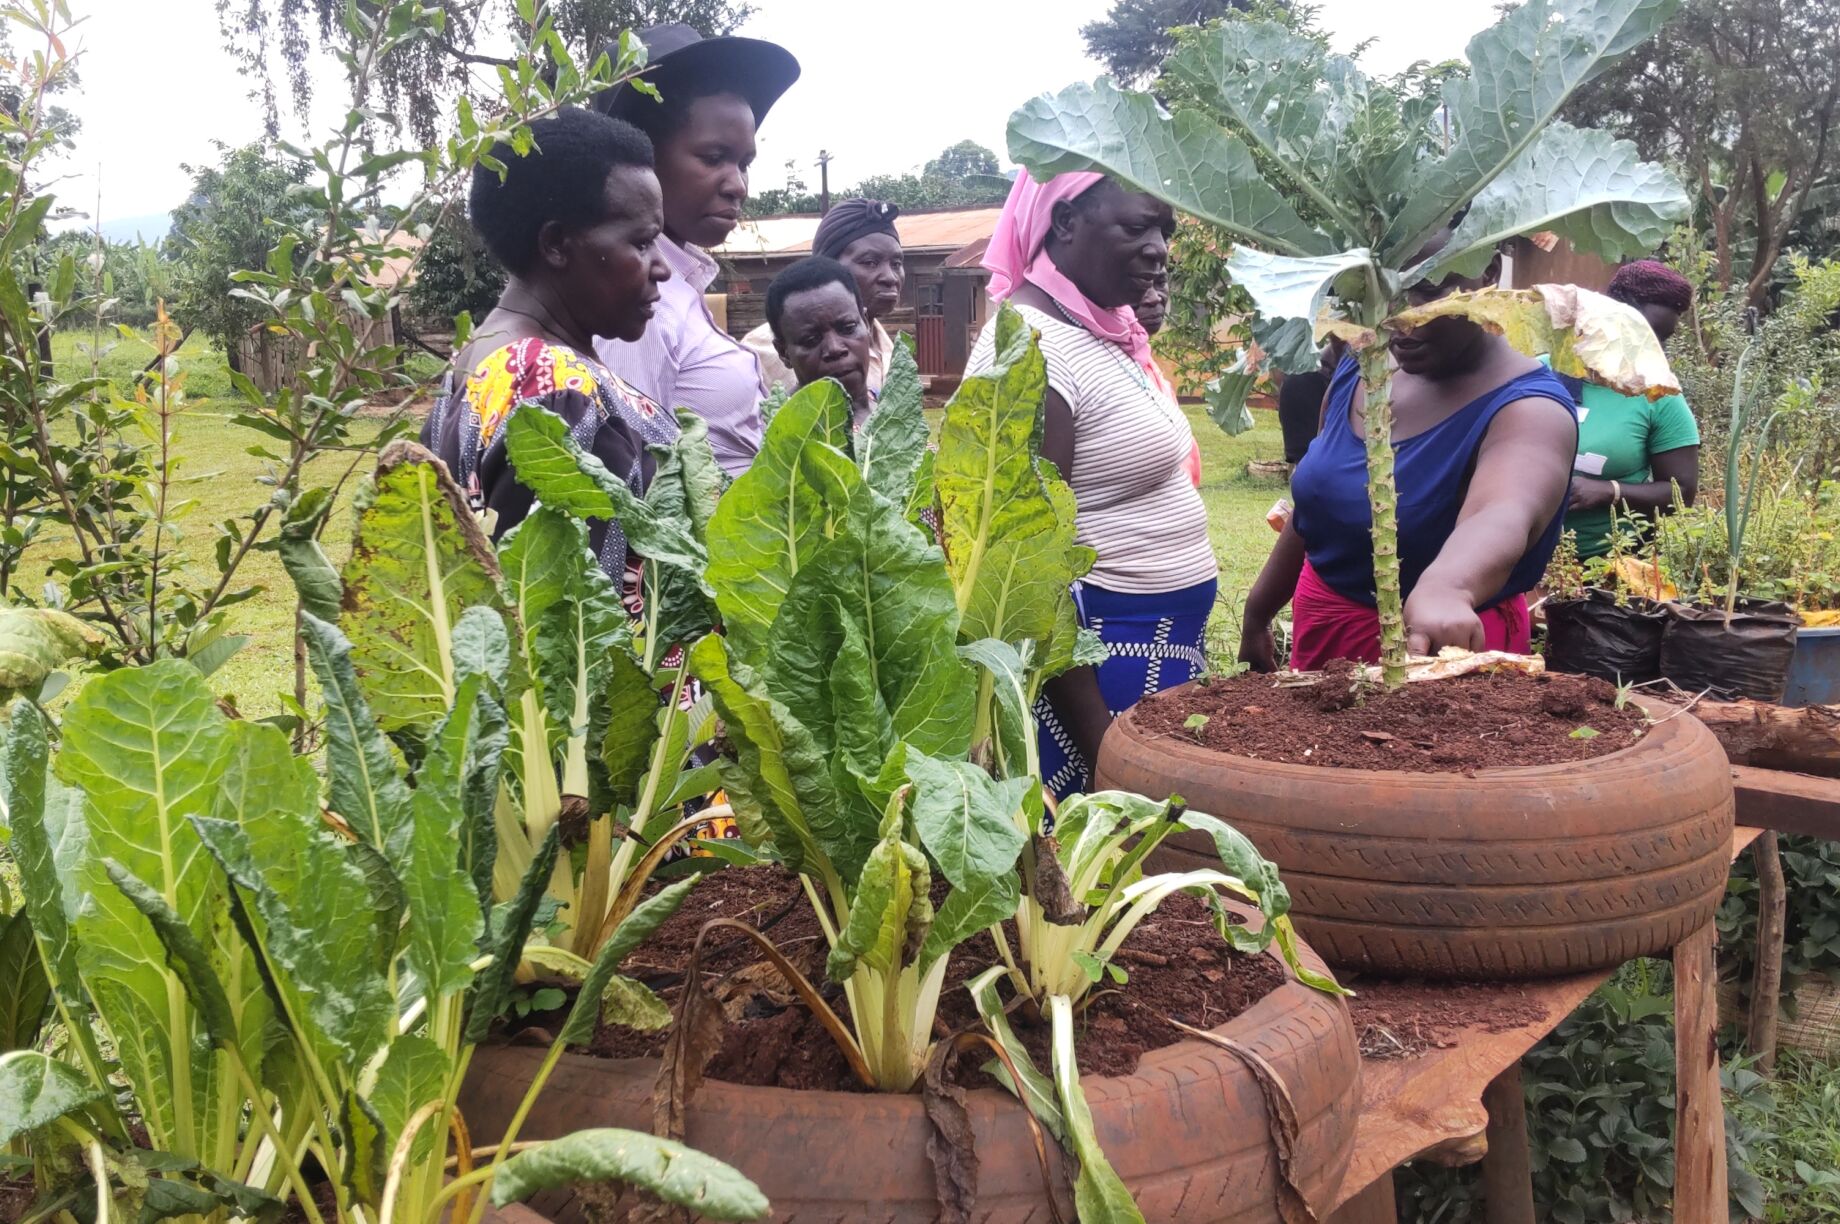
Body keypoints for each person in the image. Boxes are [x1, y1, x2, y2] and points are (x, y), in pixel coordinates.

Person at [966, 170, 1215, 797]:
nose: (1159, 246)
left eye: (1165, 228)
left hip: (1155, 650)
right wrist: (1101, 743)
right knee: (1103, 873)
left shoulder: (1095, 333)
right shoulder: (1031, 351)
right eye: (1137, 226)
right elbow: (1023, 570)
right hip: (1096, 679)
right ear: (1066, 222)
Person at [1239, 221, 1579, 673]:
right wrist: (1258, 613)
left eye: (1426, 291)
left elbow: (1501, 512)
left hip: (1443, 651)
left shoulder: (1530, 410)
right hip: (1325, 631)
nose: (1400, 320)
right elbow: (1317, 506)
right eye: (1382, 293)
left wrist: (1449, 587)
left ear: (1488, 272)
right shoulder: (1363, 367)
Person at [421, 107, 674, 599]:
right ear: (557, 244)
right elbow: (579, 625)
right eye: (641, 242)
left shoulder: (479, 357)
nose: (661, 267)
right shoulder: (556, 386)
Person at [592, 24, 800, 477]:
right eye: (713, 158)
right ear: (641, 158)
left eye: (744, 163)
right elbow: (636, 484)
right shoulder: (638, 306)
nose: (738, 185)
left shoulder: (681, 283)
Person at [1560, 260, 1701, 559]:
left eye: (1662, 340)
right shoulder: (1544, 371)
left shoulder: (1660, 396)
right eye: (1644, 334)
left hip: (1610, 566)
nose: (1653, 350)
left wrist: (1610, 492)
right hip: (1518, 559)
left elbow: (1682, 492)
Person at [745, 198, 903, 396]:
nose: (890, 277)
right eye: (870, 262)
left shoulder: (891, 351)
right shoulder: (760, 351)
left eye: (896, 263)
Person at [762, 256, 876, 424]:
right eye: (811, 340)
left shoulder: (892, 412)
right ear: (783, 352)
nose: (835, 348)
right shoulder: (780, 435)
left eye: (848, 328)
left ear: (865, 323)